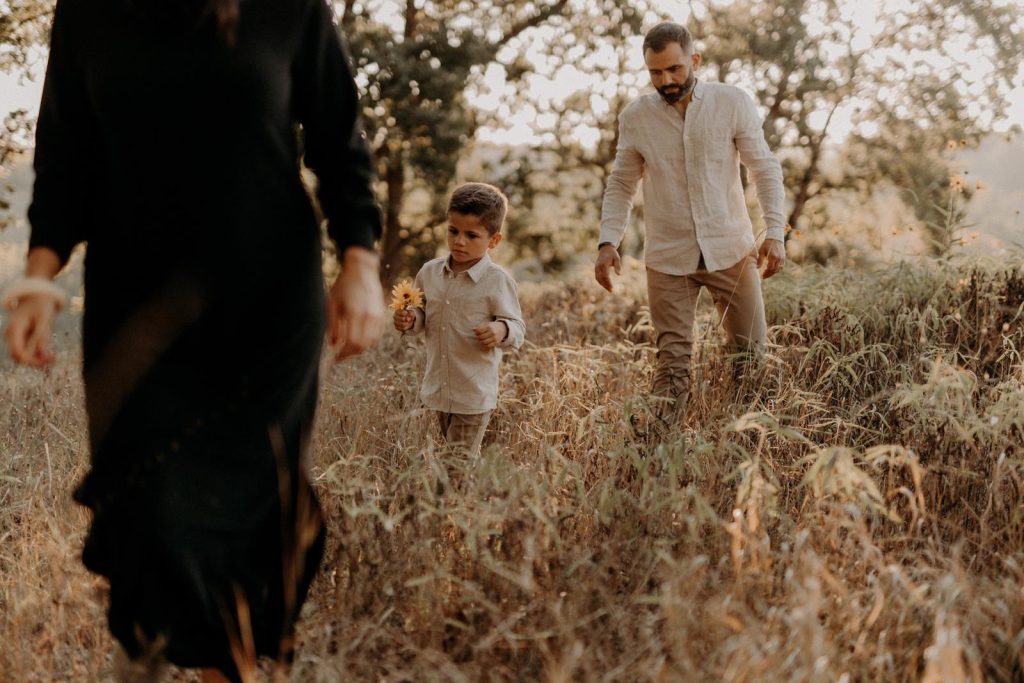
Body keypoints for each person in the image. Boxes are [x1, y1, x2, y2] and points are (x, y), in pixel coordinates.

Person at [1, 0, 385, 680]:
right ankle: (142, 655)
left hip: (265, 303)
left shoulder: (288, 7)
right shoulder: (90, 11)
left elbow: (338, 136)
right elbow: (65, 154)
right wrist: (37, 276)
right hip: (135, 305)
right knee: (145, 501)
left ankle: (225, 668)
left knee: (244, 513)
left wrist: (359, 261)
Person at [595, 21, 787, 427]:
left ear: (694, 60)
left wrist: (774, 232)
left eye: (675, 69)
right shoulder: (635, 118)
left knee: (750, 359)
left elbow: (764, 170)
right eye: (655, 72)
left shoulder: (732, 103)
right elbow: (621, 184)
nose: (666, 80)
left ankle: (744, 448)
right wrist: (607, 241)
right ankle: (660, 460)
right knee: (671, 369)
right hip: (668, 258)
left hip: (731, 250)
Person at [393, 183, 525, 456]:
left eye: (471, 235)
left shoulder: (497, 281)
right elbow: (422, 313)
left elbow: (518, 328)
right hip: (438, 387)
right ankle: (461, 498)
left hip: (473, 393)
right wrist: (410, 320)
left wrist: (501, 329)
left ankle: (454, 500)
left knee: (457, 464)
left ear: (494, 240)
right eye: (453, 231)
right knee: (452, 460)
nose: (459, 241)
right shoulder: (429, 273)